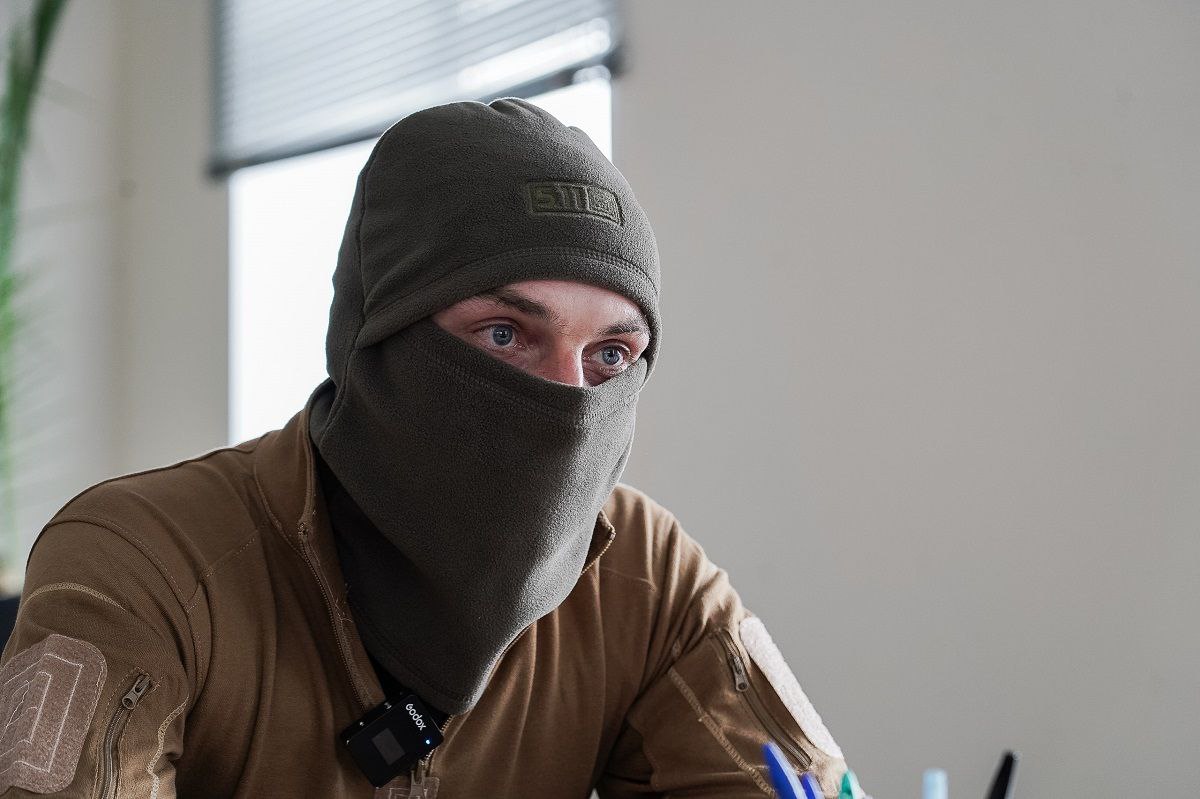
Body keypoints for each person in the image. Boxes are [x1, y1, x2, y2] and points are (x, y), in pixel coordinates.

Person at [0, 98, 856, 798]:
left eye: (610, 355)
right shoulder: (144, 558)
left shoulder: (647, 576)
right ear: (375, 334)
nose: (568, 402)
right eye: (504, 334)